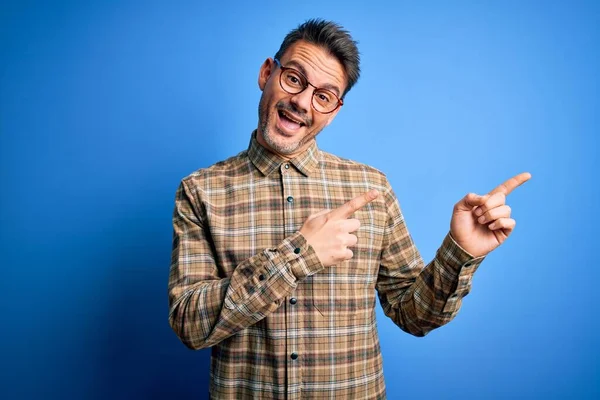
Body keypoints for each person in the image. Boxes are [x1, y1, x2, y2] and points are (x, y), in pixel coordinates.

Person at [168, 19, 530, 399]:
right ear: (266, 73)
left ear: (335, 110)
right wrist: (299, 255)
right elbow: (190, 325)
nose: (303, 102)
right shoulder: (201, 191)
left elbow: (414, 315)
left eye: (324, 96)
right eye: (294, 78)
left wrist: (460, 252)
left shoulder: (371, 189)